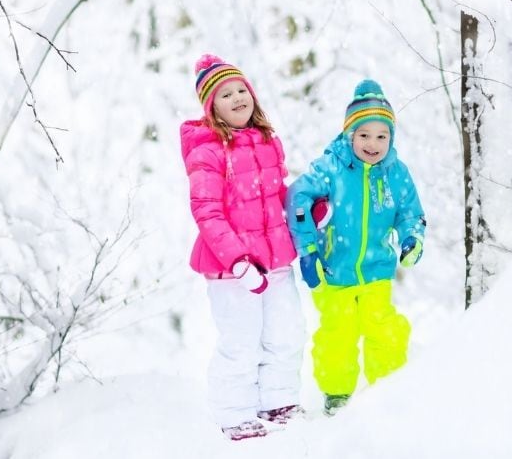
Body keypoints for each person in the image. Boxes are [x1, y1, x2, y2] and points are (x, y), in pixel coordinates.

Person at [180, 54, 305, 440]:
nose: (237, 98)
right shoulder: (208, 151)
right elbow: (207, 211)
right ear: (211, 108)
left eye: (241, 90)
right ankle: (233, 412)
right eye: (225, 94)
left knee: (287, 332)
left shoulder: (268, 143)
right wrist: (238, 261)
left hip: (276, 259)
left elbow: (276, 195)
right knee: (240, 339)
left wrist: (307, 205)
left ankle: (278, 400)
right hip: (232, 268)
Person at [286, 79, 426, 416]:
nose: (373, 144)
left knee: (383, 327)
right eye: (364, 135)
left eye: (382, 136)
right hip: (334, 271)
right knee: (338, 332)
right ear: (350, 134)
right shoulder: (330, 168)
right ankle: (337, 393)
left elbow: (411, 213)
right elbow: (297, 198)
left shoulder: (396, 173)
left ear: (391, 138)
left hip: (377, 270)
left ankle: (388, 386)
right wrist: (308, 249)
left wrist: (412, 238)